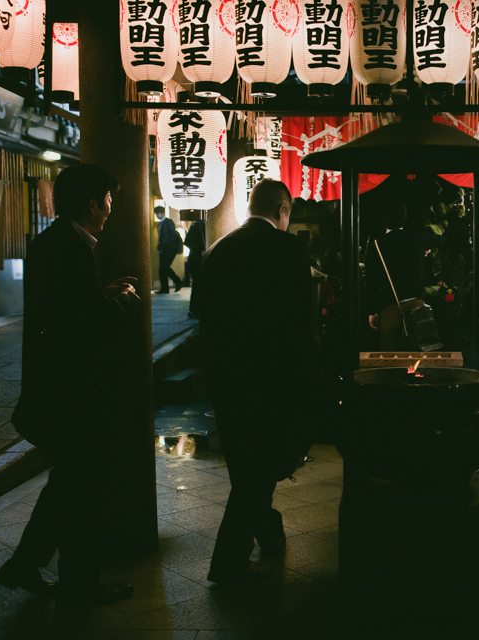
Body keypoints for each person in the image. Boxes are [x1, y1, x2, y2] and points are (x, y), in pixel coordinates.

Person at [0, 164, 139, 606]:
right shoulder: (71, 247)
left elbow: (71, 308)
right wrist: (119, 305)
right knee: (85, 490)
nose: (111, 209)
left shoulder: (55, 242)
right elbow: (80, 326)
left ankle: (23, 564)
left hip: (61, 389)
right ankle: (79, 584)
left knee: (67, 484)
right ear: (93, 202)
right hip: (76, 394)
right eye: (108, 200)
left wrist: (103, 294)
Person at [196, 179, 316, 584]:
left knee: (246, 466)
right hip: (271, 378)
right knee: (258, 470)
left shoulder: (216, 249)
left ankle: (269, 529)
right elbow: (300, 324)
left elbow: (201, 315)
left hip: (225, 377)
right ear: (283, 210)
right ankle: (227, 562)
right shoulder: (289, 249)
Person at [365, 200, 445, 349]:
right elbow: (441, 240)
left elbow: (371, 281)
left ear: (383, 220)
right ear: (405, 218)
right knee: (419, 353)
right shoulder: (417, 237)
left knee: (390, 357)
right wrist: (425, 250)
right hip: (417, 305)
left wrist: (371, 311)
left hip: (389, 306)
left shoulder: (376, 244)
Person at [156, 206, 183, 294]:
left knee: (164, 267)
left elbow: (174, 235)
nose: (157, 215)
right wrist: (159, 249)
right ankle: (164, 288)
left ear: (162, 213)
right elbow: (160, 238)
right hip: (164, 248)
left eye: (157, 213)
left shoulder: (168, 222)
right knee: (162, 269)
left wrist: (167, 243)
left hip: (170, 248)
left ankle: (178, 281)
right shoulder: (160, 224)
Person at [183, 218, 206, 318]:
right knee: (197, 285)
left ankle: (195, 309)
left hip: (196, 260)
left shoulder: (199, 225)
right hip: (196, 260)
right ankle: (194, 310)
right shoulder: (198, 225)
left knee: (197, 285)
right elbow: (188, 242)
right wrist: (200, 250)